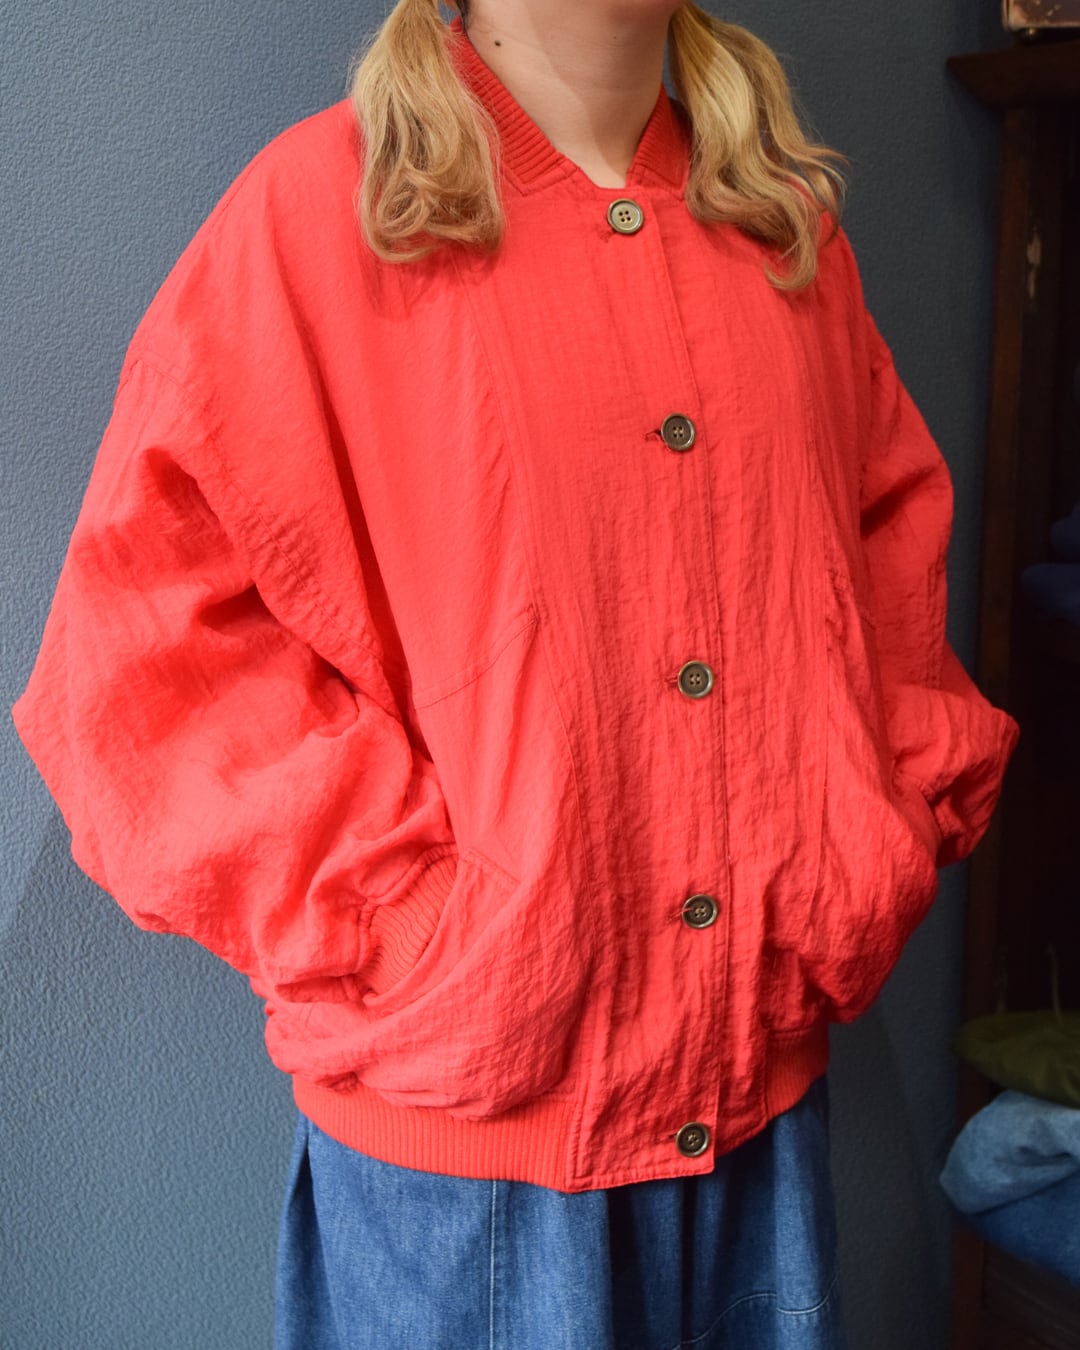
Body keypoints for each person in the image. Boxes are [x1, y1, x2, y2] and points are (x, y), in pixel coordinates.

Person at [10, 1, 1020, 1346]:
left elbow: (885, 577)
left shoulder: (781, 231)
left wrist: (857, 846)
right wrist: (416, 923)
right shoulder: (323, 214)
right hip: (468, 1164)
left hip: (761, 1126)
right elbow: (147, 657)